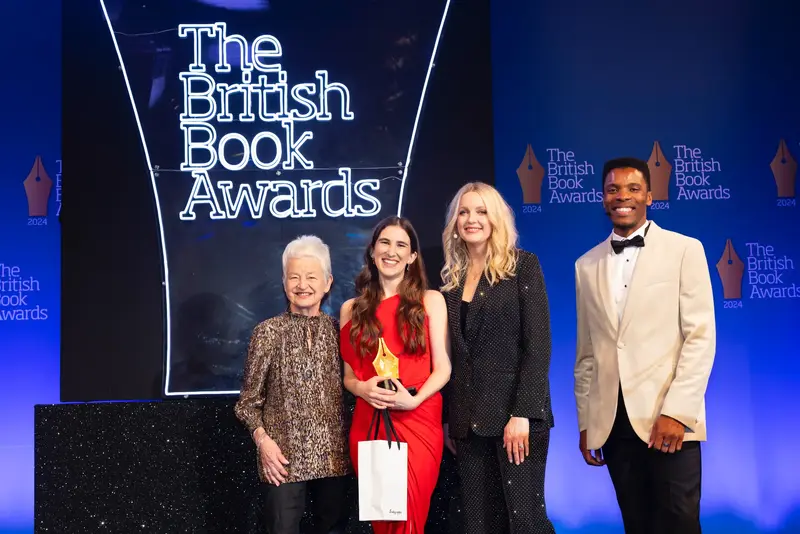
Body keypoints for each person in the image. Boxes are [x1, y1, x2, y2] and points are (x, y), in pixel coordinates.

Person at [574, 157, 716, 534]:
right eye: (613, 189)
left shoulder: (685, 250)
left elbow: (700, 337)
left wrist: (678, 412)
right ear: (603, 198)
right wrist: (588, 421)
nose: (623, 196)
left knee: (679, 523)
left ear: (650, 195)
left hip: (667, 420)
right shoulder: (585, 265)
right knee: (637, 525)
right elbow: (587, 355)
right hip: (614, 425)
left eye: (633, 188)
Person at [440, 182, 555, 534]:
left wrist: (522, 413)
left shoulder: (523, 267)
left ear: (496, 219)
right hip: (467, 424)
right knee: (480, 525)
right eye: (463, 212)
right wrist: (451, 418)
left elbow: (538, 346)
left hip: (515, 420)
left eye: (480, 211)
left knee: (525, 522)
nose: (471, 219)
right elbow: (455, 358)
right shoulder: (451, 282)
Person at [340, 216, 451, 534]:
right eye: (385, 243)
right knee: (385, 521)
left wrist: (413, 399)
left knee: (409, 519)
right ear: (373, 251)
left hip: (418, 418)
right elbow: (349, 376)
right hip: (370, 422)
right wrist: (362, 389)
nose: (392, 251)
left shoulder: (430, 301)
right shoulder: (351, 309)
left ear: (413, 256)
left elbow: (443, 369)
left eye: (401, 244)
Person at [234, 235, 351, 534]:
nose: (303, 285)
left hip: (335, 457)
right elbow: (247, 404)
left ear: (327, 283)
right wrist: (264, 443)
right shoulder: (267, 333)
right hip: (282, 460)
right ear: (284, 283)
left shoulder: (340, 332)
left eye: (312, 277)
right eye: (294, 277)